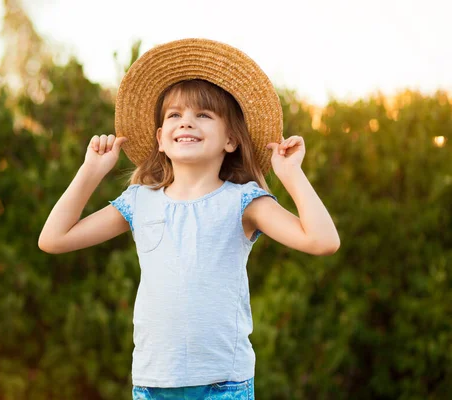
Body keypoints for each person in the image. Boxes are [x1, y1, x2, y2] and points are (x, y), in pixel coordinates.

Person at [38, 38, 340, 400]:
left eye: (203, 115)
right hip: (153, 385)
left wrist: (292, 175)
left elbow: (323, 241)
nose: (186, 123)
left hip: (223, 385)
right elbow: (53, 239)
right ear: (161, 139)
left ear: (231, 139)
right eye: (175, 115)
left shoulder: (243, 202)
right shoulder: (139, 202)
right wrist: (90, 171)